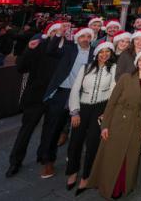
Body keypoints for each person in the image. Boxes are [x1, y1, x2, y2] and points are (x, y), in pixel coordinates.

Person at [87, 49, 141, 199]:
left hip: (137, 122)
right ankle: (108, 186)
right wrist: (105, 125)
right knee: (113, 155)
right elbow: (111, 103)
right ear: (136, 62)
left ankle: (123, 185)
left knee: (129, 156)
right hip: (118, 120)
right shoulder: (126, 77)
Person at [6, 23, 62, 178]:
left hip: (55, 96)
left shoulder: (63, 49)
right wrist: (29, 50)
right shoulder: (38, 46)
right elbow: (21, 67)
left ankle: (43, 157)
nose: (56, 34)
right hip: (35, 96)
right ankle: (15, 161)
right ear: (48, 33)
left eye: (59, 32)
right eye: (54, 32)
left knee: (49, 131)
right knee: (26, 130)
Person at [40, 26, 95, 179]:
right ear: (77, 38)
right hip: (63, 92)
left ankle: (72, 159)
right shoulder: (68, 49)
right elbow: (51, 51)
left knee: (78, 130)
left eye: (88, 37)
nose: (85, 39)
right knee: (53, 128)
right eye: (82, 36)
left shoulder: (95, 53)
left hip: (82, 94)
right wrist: (59, 34)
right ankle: (48, 161)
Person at [67, 40, 116, 194]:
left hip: (100, 108)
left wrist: (106, 113)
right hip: (83, 106)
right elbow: (75, 89)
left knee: (93, 143)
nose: (104, 55)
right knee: (75, 141)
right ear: (97, 54)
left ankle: (86, 176)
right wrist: (75, 111)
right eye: (102, 52)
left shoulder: (113, 68)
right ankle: (73, 172)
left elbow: (113, 92)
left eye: (108, 52)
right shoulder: (86, 68)